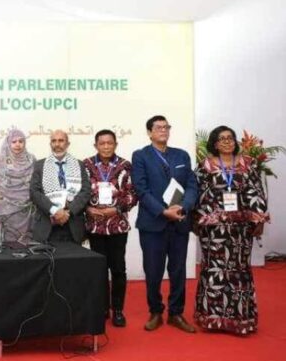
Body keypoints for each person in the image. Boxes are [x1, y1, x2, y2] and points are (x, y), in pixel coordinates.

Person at [193, 126, 269, 335]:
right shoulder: (205, 165)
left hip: (241, 229)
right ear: (214, 143)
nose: (227, 142)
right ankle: (211, 318)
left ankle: (241, 319)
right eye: (222, 139)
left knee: (239, 270)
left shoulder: (248, 163)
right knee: (214, 269)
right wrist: (199, 219)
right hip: (213, 229)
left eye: (230, 138)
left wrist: (259, 218)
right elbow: (198, 193)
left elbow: (256, 191)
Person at [132, 115, 198, 333]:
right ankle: (156, 311)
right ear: (149, 132)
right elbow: (141, 189)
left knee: (178, 270)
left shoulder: (181, 155)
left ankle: (176, 313)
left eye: (166, 127)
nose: (163, 130)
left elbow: (192, 185)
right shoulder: (141, 156)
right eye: (158, 127)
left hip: (179, 221)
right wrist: (162, 211)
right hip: (153, 223)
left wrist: (184, 207)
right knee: (153, 271)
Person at [82, 129, 138, 327]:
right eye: (102, 143)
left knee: (118, 269)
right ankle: (103, 308)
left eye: (109, 143)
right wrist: (87, 208)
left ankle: (118, 310)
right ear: (95, 145)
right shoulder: (86, 165)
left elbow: (132, 194)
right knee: (99, 269)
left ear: (115, 145)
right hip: (95, 226)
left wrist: (116, 209)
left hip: (117, 226)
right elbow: (79, 193)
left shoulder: (125, 165)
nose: (106, 147)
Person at [30, 130, 90, 244]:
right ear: (50, 144)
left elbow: (85, 191)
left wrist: (68, 212)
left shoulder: (79, 165)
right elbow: (34, 192)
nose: (57, 144)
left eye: (61, 141)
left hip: (72, 224)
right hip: (47, 224)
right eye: (54, 141)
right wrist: (55, 210)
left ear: (68, 144)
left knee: (74, 255)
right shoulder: (40, 165)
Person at [0, 129, 37, 243]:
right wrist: (18, 200)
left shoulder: (31, 160)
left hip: (27, 210)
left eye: (21, 141)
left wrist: (26, 199)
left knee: (26, 244)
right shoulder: (1, 161)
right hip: (6, 211)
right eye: (14, 141)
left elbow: (35, 184)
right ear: (8, 143)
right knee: (7, 243)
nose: (18, 145)